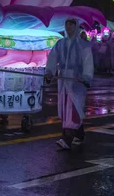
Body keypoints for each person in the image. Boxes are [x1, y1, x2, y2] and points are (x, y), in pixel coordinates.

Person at [45, 19, 93, 150]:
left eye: (71, 24)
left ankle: (67, 138)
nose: (68, 26)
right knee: (66, 106)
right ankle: (79, 134)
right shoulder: (60, 44)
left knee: (73, 107)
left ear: (76, 26)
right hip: (63, 79)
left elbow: (88, 61)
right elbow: (52, 59)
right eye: (66, 24)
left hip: (76, 80)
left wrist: (86, 77)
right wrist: (49, 72)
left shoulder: (83, 45)